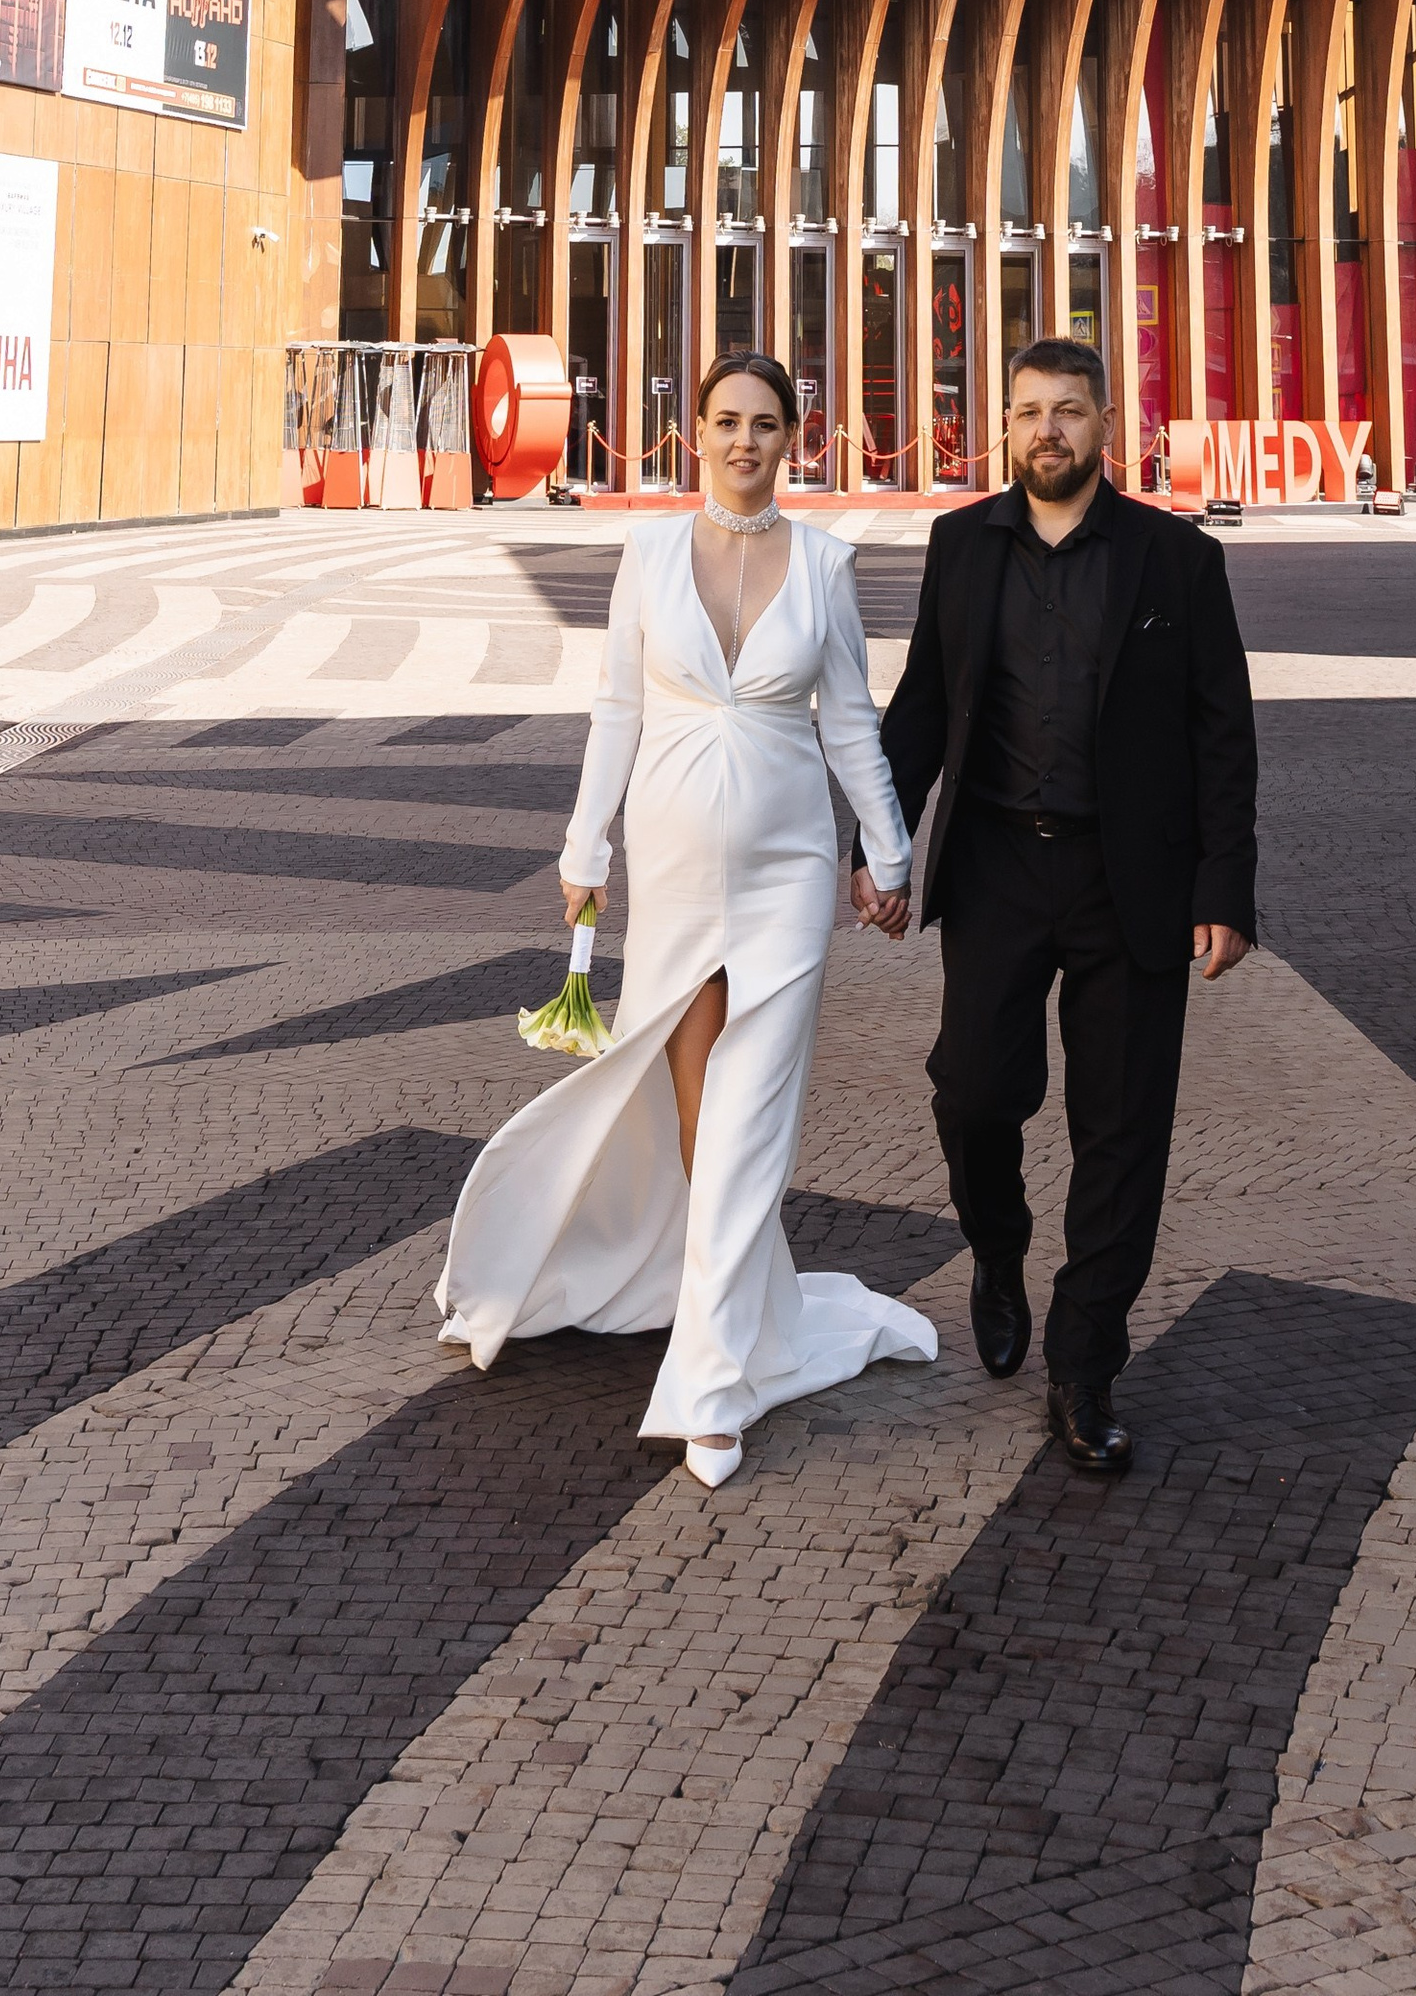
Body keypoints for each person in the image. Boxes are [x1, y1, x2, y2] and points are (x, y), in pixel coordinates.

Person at [438, 352, 935, 1487]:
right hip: (669, 868)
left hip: (790, 869)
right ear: (693, 432)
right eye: (725, 421)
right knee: (699, 1115)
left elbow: (851, 722)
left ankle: (710, 1387)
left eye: (765, 424)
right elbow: (616, 705)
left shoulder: (822, 563)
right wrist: (582, 848)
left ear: (794, 437)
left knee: (752, 1117)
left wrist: (890, 852)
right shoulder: (651, 552)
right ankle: (740, 1306)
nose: (744, 442)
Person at [874, 336, 1256, 1478]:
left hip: (1128, 879)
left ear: (1105, 424)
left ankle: (1085, 1365)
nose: (1049, 429)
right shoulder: (959, 547)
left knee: (1122, 1130)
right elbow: (918, 710)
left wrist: (1223, 889)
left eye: (1070, 411)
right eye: (1030, 410)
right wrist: (877, 849)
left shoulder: (1175, 561)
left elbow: (1221, 736)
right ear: (1005, 425)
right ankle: (999, 1251)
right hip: (995, 864)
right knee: (974, 1092)